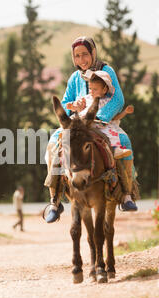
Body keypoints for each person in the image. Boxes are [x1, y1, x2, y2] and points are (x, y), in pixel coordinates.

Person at [44, 36, 138, 224]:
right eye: (77, 56)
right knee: (53, 144)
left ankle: (127, 193)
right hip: (77, 123)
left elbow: (118, 99)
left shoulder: (106, 71)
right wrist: (73, 106)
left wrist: (98, 116)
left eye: (85, 54)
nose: (81, 60)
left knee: (124, 142)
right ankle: (55, 199)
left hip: (103, 121)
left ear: (93, 52)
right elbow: (64, 103)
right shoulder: (74, 78)